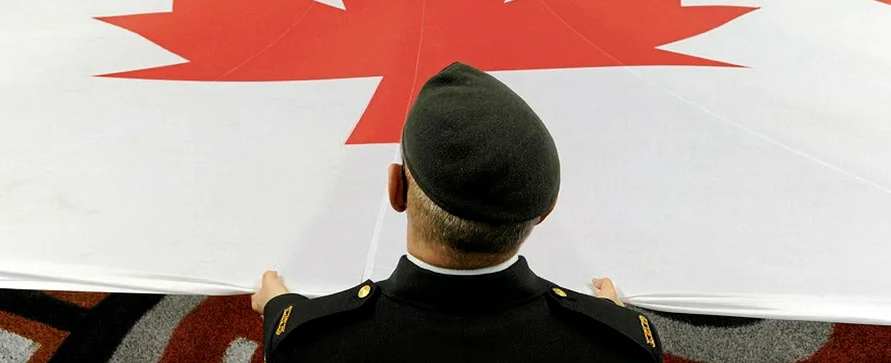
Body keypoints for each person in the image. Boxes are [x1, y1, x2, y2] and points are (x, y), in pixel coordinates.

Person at [251, 63, 663, 363]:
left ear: (397, 189)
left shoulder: (308, 341)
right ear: (545, 210)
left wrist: (279, 306)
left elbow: (290, 335)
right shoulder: (621, 345)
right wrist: (607, 319)